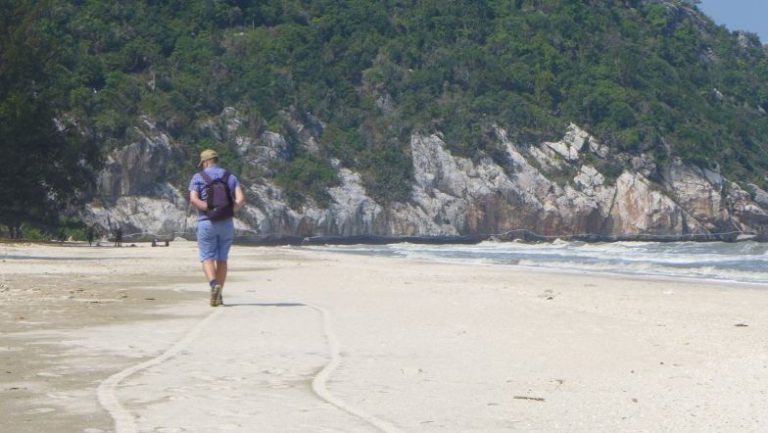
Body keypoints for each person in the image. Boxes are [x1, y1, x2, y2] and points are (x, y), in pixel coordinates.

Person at [188, 149, 246, 306]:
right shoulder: (230, 177)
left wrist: (209, 209)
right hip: (226, 223)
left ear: (205, 162)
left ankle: (214, 284)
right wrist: (228, 211)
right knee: (222, 258)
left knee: (207, 256)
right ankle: (219, 295)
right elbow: (240, 199)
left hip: (206, 222)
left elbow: (193, 199)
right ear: (216, 160)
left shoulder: (198, 177)